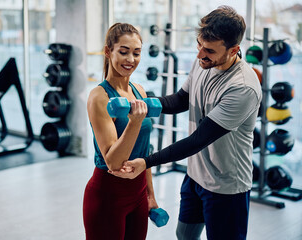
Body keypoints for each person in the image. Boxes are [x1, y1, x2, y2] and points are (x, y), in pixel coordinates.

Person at [110, 6, 262, 240]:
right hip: (196, 176)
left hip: (226, 186)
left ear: (234, 50)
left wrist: (147, 162)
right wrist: (137, 103)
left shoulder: (242, 87)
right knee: (185, 235)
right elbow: (180, 100)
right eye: (199, 44)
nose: (200, 54)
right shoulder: (203, 62)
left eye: (209, 50)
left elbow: (198, 140)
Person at [82, 23, 159, 240]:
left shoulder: (139, 90)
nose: (131, 60)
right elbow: (113, 162)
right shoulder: (99, 97)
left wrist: (150, 195)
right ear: (108, 52)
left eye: (136, 53)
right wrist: (134, 123)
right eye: (123, 52)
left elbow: (145, 151)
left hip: (138, 195)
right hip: (108, 195)